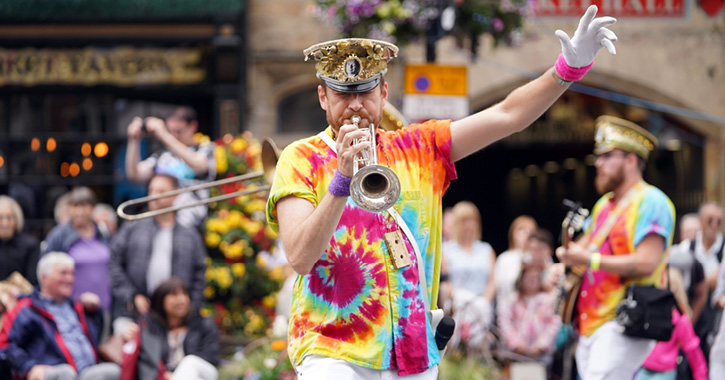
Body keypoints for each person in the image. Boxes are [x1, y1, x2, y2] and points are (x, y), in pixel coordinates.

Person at [266, 6, 618, 378]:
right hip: (332, 349)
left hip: (412, 349)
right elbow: (301, 257)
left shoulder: (421, 146)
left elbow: (508, 116)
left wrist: (567, 69)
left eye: (366, 92)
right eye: (342, 94)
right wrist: (340, 181)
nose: (355, 105)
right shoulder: (299, 157)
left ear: (384, 92)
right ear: (323, 97)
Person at [555, 115, 675, 380]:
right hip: (589, 324)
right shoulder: (603, 205)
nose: (597, 163)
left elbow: (647, 262)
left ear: (631, 160)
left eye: (607, 156)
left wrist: (590, 260)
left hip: (624, 320)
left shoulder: (652, 201)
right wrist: (564, 260)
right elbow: (581, 252)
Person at [108, 174, 207, 331]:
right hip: (135, 314)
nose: (154, 196)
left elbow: (200, 274)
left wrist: (190, 308)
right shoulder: (133, 228)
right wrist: (132, 296)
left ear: (175, 195)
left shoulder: (190, 235)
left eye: (161, 191)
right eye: (151, 190)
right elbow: (113, 263)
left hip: (177, 318)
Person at [0, 252, 120, 380]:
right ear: (44, 278)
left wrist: (95, 312)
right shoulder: (26, 308)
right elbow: (5, 345)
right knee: (66, 373)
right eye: (63, 273)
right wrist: (29, 367)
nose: (69, 279)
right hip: (53, 372)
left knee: (114, 371)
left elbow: (97, 336)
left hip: (85, 373)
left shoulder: (77, 306)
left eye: (72, 274)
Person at [125, 106, 216, 228]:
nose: (174, 136)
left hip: (190, 223)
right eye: (170, 131)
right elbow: (134, 174)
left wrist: (163, 134)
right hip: (160, 221)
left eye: (178, 131)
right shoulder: (162, 155)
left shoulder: (205, 149)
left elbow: (198, 164)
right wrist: (133, 140)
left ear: (193, 126)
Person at [121, 277, 219, 380]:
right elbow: (148, 361)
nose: (181, 300)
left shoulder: (202, 324)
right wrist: (127, 337)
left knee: (190, 362)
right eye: (174, 295)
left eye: (184, 294)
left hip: (203, 371)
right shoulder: (151, 328)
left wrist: (175, 373)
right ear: (161, 300)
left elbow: (211, 357)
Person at [43, 187, 112, 313]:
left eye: (84, 206)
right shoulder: (58, 235)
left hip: (103, 307)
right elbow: (46, 269)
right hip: (71, 308)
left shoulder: (102, 233)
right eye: (75, 206)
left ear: (92, 208)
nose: (80, 212)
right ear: (69, 208)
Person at [441, 201, 496, 355]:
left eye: (473, 221)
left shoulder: (486, 249)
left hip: (482, 310)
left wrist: (483, 303)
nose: (470, 225)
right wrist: (461, 299)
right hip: (458, 308)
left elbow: (492, 281)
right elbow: (444, 281)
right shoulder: (446, 249)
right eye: (465, 221)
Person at [634, 267, 708, 380]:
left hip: (664, 372)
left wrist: (701, 376)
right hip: (642, 368)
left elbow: (694, 353)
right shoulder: (648, 314)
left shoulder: (680, 320)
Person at [497, 260, 561, 367]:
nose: (532, 281)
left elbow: (554, 323)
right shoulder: (512, 300)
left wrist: (541, 345)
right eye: (528, 278)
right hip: (515, 353)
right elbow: (504, 321)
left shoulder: (547, 301)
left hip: (540, 355)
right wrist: (516, 343)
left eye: (535, 278)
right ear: (521, 279)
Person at [495, 215, 538, 302]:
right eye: (521, 229)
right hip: (508, 308)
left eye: (530, 230)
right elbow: (497, 287)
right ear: (513, 233)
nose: (526, 233)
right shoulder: (504, 259)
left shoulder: (540, 258)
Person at [0, 195, 40, 286]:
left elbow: (32, 281)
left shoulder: (30, 245)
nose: (5, 223)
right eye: (0, 218)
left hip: (22, 296)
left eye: (9, 218)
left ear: (16, 220)